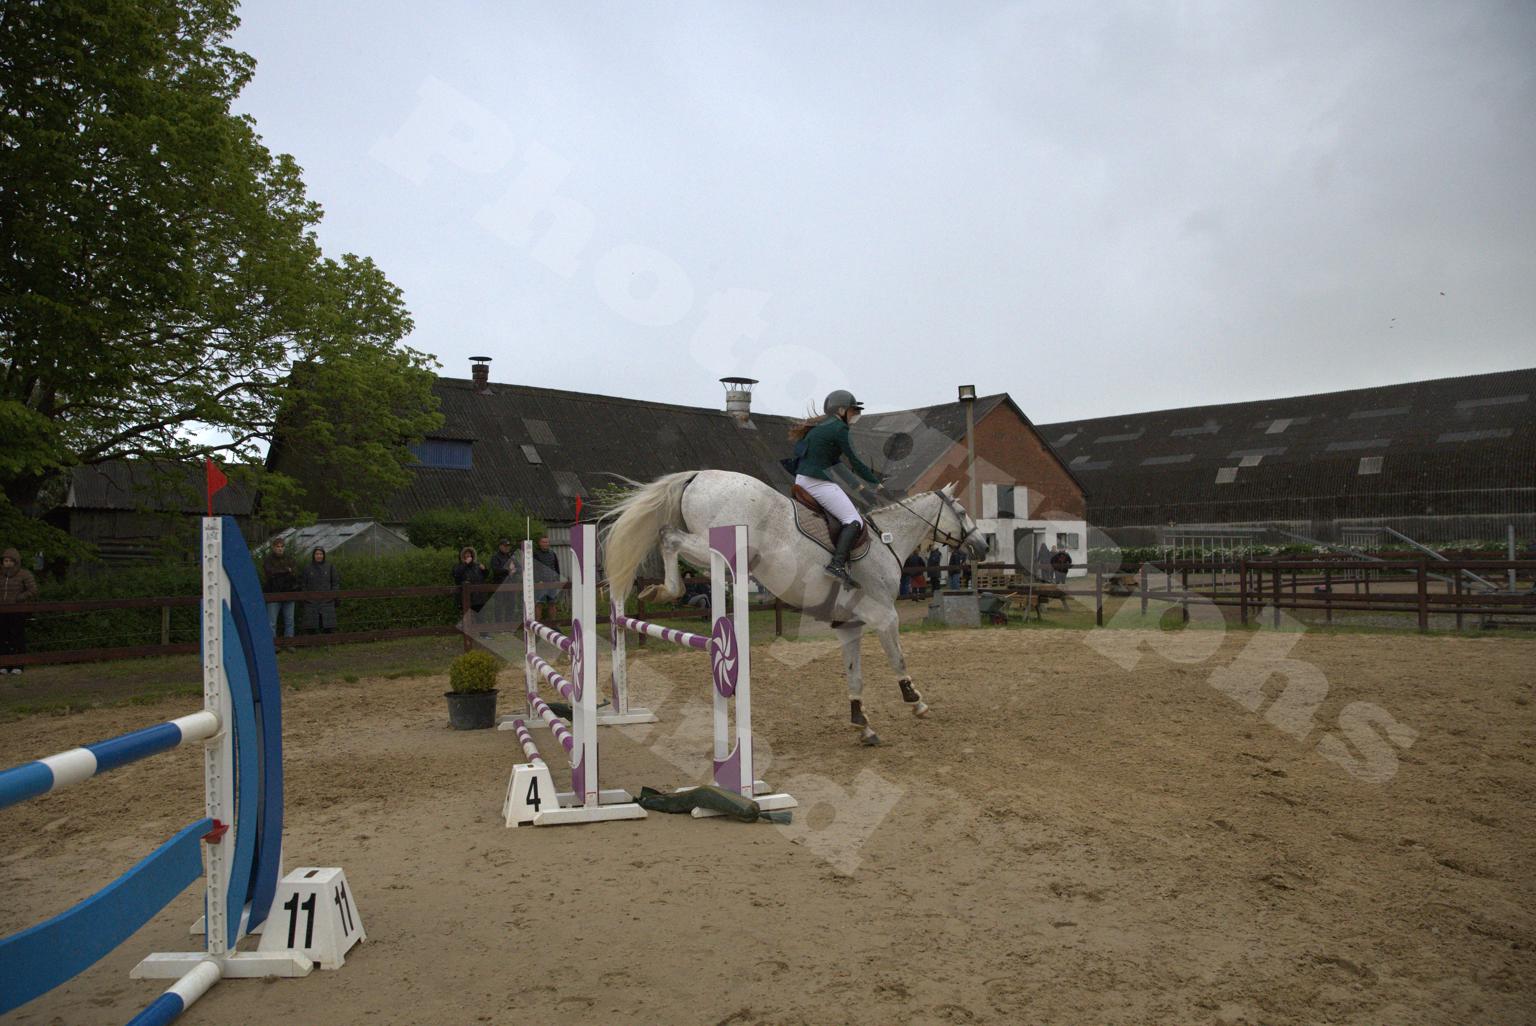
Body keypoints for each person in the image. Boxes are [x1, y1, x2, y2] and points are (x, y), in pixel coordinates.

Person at [784, 389, 883, 588]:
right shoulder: (839, 428)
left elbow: (837, 465)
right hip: (816, 481)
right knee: (853, 520)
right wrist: (876, 484)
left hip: (803, 478)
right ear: (841, 410)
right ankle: (836, 565)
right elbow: (855, 461)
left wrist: (862, 489)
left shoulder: (822, 427)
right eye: (853, 411)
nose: (855, 415)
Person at [0, 547, 39, 673]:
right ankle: (4, 665)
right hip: (2, 611)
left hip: (17, 610)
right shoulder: (0, 574)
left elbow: (33, 590)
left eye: (10, 561)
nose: (8, 563)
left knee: (17, 637)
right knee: (3, 637)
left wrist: (19, 598)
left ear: (16, 562)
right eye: (5, 561)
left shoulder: (24, 574)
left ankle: (18, 665)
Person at [262, 536, 300, 639]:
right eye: (278, 546)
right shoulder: (268, 560)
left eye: (282, 546)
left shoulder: (290, 559)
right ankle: (272, 645)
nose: (280, 548)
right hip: (273, 594)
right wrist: (286, 570)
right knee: (272, 622)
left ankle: (289, 643)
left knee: (290, 621)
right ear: (273, 547)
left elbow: (295, 573)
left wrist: (280, 571)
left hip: (288, 593)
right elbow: (270, 573)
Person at [300, 546, 339, 634]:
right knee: (311, 628)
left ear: (324, 555)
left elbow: (335, 583)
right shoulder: (307, 568)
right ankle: (312, 641)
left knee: (328, 628)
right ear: (313, 555)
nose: (319, 556)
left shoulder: (330, 567)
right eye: (317, 554)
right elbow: (303, 584)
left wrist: (332, 596)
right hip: (311, 603)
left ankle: (328, 641)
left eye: (321, 554)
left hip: (327, 602)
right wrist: (306, 598)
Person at [453, 545, 490, 636]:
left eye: (469, 554)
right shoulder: (458, 566)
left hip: (478, 596)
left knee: (481, 616)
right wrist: (465, 564)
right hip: (466, 597)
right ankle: (467, 635)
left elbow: (485, 576)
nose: (468, 555)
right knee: (466, 617)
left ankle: (484, 634)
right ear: (462, 556)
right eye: (466, 554)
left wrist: (484, 569)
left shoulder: (477, 565)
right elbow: (456, 575)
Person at [489, 538, 519, 628]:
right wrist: (508, 570)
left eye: (508, 546)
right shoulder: (495, 557)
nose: (507, 548)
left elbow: (519, 568)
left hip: (511, 584)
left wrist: (515, 570)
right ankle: (499, 626)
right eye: (505, 546)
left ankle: (508, 625)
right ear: (500, 546)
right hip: (499, 584)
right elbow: (495, 570)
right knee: (499, 606)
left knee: (511, 605)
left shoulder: (511, 557)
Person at [532, 535, 562, 623]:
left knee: (552, 603)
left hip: (552, 583)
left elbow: (556, 568)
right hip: (540, 583)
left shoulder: (553, 554)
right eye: (543, 542)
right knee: (539, 604)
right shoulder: (535, 554)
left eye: (547, 542)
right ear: (539, 543)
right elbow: (533, 568)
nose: (545, 544)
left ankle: (553, 625)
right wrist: (537, 580)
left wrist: (557, 579)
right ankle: (537, 624)